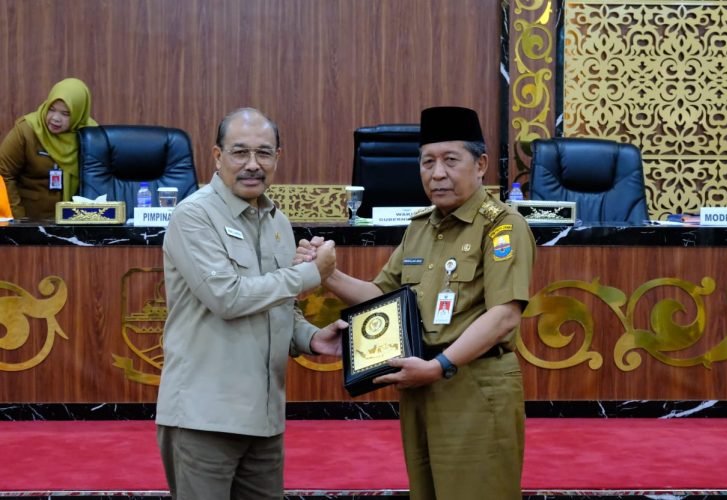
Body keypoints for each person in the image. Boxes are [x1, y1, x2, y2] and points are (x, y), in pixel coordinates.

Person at [298, 106, 536, 499]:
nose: (437, 173)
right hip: (419, 382)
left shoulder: (502, 225)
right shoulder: (422, 228)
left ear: (480, 164)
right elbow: (382, 298)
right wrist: (327, 274)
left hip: (474, 385)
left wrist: (440, 366)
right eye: (427, 162)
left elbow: (504, 315)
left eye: (450, 160)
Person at [155, 107, 346, 500]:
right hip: (205, 418)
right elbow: (228, 297)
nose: (253, 165)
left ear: (279, 156)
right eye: (240, 152)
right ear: (217, 156)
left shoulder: (277, 221)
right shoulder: (194, 216)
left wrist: (311, 338)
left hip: (265, 419)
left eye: (265, 153)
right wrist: (314, 274)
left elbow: (277, 304)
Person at [0, 78, 97, 219]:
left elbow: (99, 180)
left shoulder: (91, 136)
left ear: (78, 114)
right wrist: (18, 220)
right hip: (29, 221)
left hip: (74, 222)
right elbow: (3, 173)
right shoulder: (26, 131)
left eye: (65, 114)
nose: (55, 118)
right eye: (51, 109)